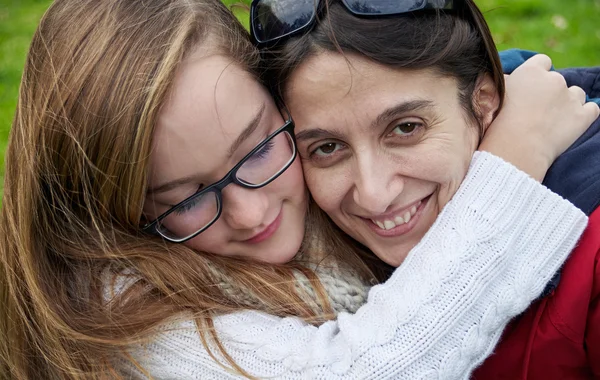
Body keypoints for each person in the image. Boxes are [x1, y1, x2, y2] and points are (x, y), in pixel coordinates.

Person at [0, 0, 595, 379]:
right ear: (115, 212)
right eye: (185, 199)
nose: (252, 211)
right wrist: (512, 160)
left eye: (258, 149)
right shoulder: (119, 323)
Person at [255, 0, 600, 378]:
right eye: (327, 148)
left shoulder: (592, 253)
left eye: (406, 128)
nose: (374, 194)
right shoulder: (272, 261)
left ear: (483, 101)